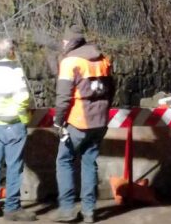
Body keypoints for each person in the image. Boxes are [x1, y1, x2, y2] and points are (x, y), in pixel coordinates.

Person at [52, 25, 113, 223]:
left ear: (71, 42)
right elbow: (111, 88)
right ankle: (89, 211)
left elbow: (63, 96)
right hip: (100, 121)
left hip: (79, 121)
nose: (62, 43)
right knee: (89, 162)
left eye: (64, 41)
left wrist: (59, 120)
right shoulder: (103, 59)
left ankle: (67, 210)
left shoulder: (70, 62)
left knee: (65, 160)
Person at [0, 39, 37, 221]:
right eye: (14, 49)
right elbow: (23, 98)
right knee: (14, 165)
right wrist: (22, 117)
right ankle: (12, 208)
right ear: (10, 51)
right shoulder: (15, 71)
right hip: (14, 124)